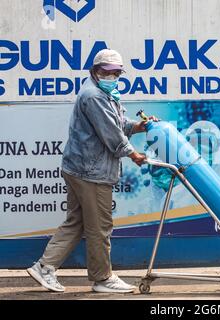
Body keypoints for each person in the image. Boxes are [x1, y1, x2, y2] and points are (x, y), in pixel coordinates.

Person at [26, 49, 159, 293]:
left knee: (76, 222)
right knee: (100, 226)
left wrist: (139, 127)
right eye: (108, 72)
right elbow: (112, 136)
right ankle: (102, 278)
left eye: (117, 72)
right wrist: (134, 155)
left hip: (80, 168)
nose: (113, 76)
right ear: (96, 71)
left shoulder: (105, 93)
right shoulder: (94, 96)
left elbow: (117, 125)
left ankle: (44, 267)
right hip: (91, 172)